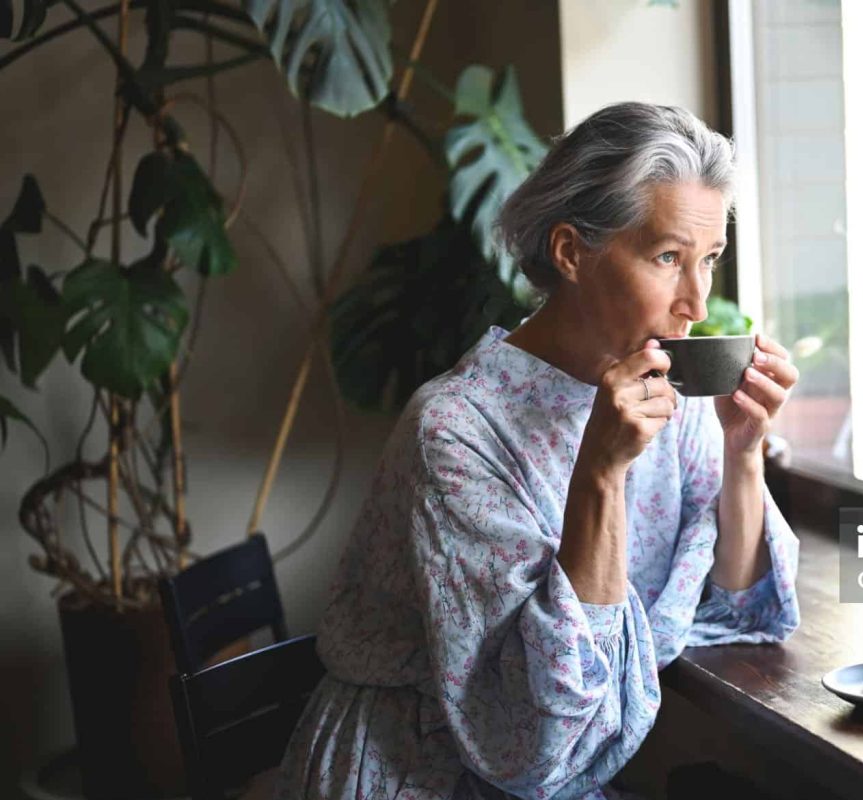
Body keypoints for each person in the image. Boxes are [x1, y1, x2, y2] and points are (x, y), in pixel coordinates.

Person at [275, 102, 801, 800]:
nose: (696, 304)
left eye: (709, 260)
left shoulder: (662, 386)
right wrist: (600, 474)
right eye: (668, 258)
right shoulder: (455, 430)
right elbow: (529, 737)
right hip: (420, 770)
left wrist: (742, 450)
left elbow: (734, 605)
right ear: (570, 252)